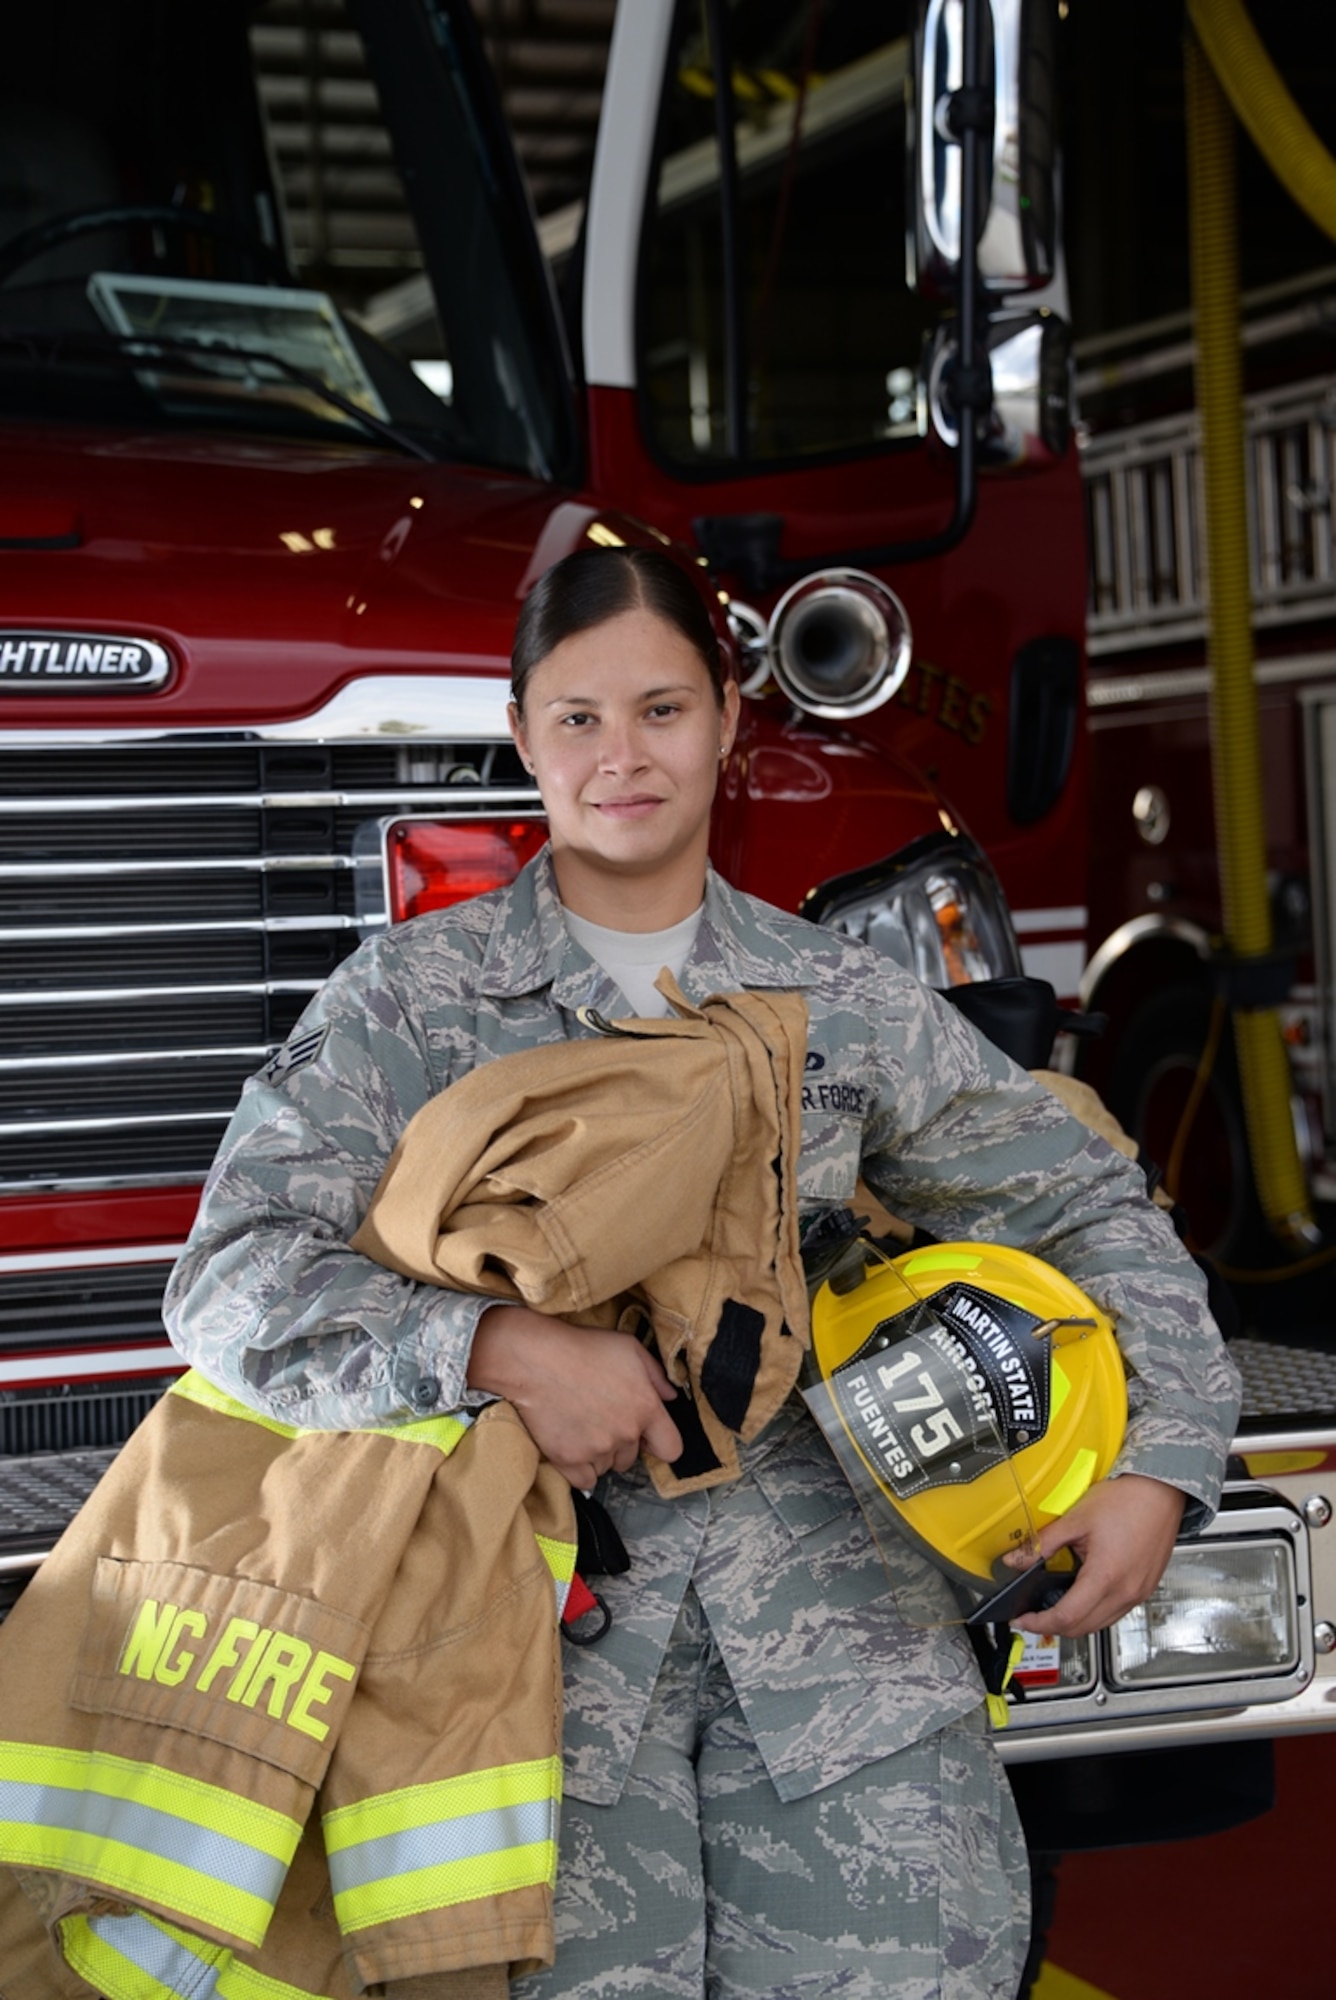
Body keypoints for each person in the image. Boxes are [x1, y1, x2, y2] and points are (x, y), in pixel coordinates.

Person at [165, 543, 1242, 2000]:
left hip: (853, 1688)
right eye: (580, 718)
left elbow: (1091, 1207)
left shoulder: (843, 1002)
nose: (623, 758)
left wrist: (1160, 1463)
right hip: (533, 1691)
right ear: (522, 729)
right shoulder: (411, 1005)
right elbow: (228, 1284)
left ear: (732, 717)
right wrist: (494, 1350)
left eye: (663, 711)